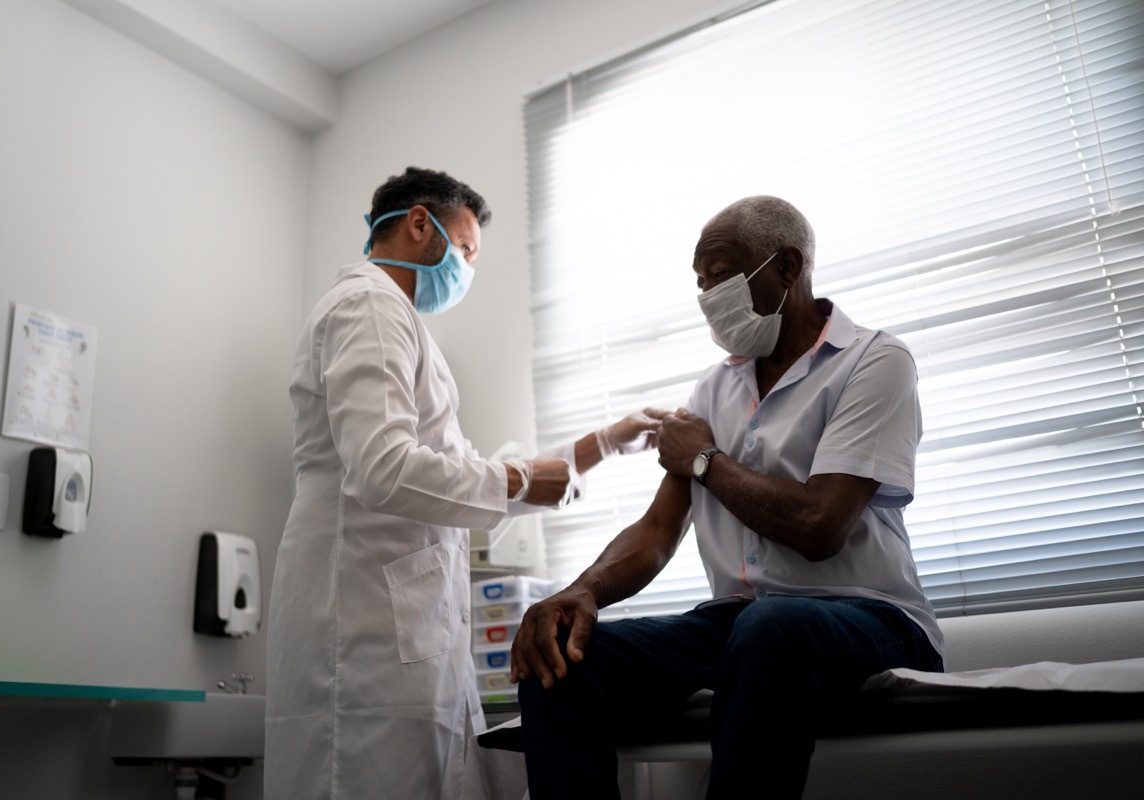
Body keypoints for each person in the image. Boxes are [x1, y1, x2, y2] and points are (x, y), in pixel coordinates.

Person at [511, 196, 944, 799]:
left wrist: (706, 460)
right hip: (744, 626)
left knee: (768, 627)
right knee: (560, 654)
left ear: (789, 267)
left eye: (722, 275)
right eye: (700, 282)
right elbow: (659, 529)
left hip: (871, 615)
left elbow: (821, 525)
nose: (709, 295)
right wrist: (580, 591)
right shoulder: (715, 387)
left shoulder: (874, 361)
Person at [264, 166, 665, 800]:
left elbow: (458, 469)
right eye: (467, 250)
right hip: (363, 633)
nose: (467, 271)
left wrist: (605, 443)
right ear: (420, 224)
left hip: (400, 632)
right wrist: (518, 479)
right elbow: (385, 467)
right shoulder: (370, 305)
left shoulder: (396, 321)